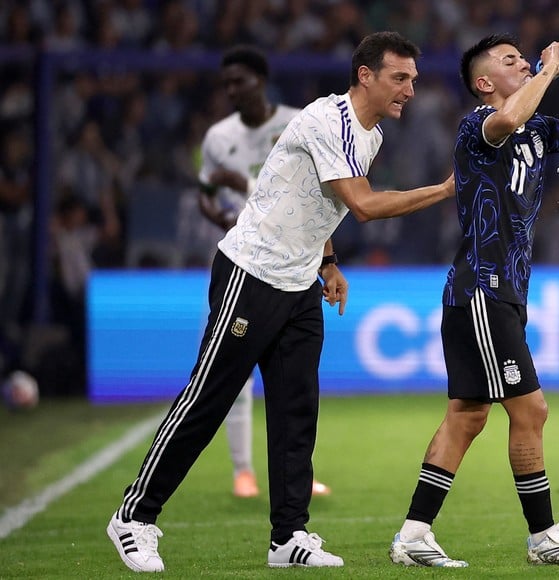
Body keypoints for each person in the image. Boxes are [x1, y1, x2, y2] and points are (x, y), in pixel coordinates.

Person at [107, 31, 455, 572]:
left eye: (412, 78)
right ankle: (134, 517)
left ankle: (288, 537)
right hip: (252, 272)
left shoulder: (371, 135)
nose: (410, 89)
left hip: (299, 283)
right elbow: (362, 204)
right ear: (366, 74)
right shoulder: (325, 119)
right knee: (208, 398)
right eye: (400, 77)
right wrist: (445, 189)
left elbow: (321, 204)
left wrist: (329, 262)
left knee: (296, 413)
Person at [388, 34, 559, 568]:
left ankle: (413, 535)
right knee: (531, 409)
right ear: (484, 83)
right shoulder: (477, 126)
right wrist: (544, 71)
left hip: (504, 293)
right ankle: (544, 535)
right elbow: (507, 122)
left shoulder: (541, 129)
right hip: (482, 289)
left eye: (526, 58)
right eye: (510, 60)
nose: (525, 63)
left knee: (467, 416)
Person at [197, 44, 331, 499]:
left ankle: (297, 480)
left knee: (295, 386)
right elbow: (204, 191)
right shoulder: (217, 138)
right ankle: (242, 471)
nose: (232, 91)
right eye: (226, 84)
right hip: (243, 262)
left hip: (293, 266)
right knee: (228, 379)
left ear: (261, 79)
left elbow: (314, 197)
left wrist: (328, 262)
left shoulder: (300, 121)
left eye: (240, 81)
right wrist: (217, 214)